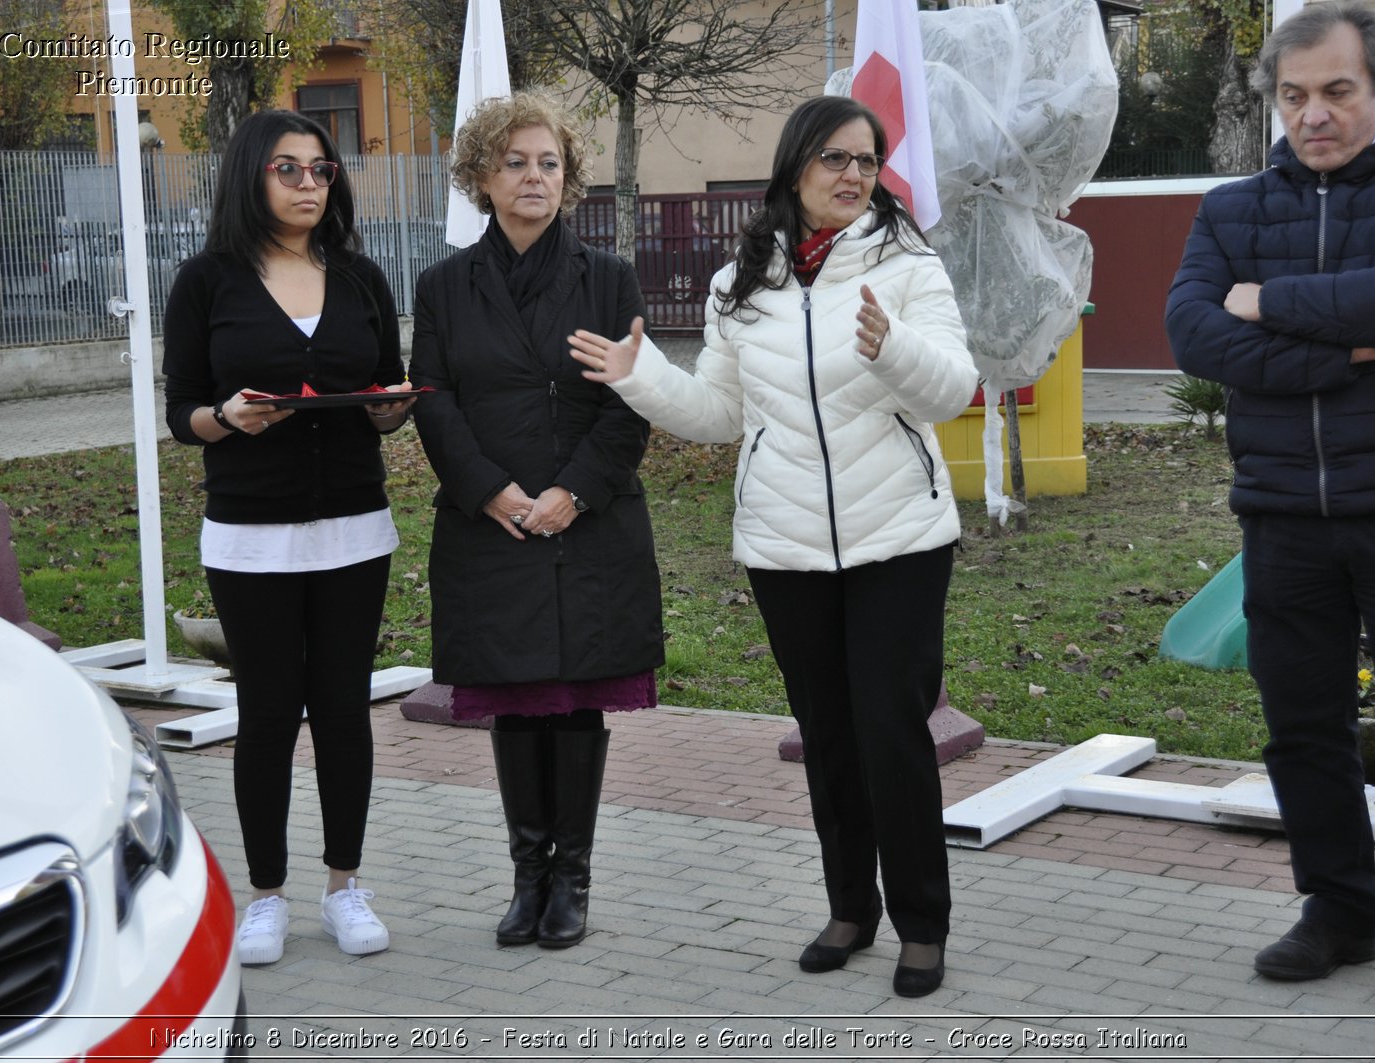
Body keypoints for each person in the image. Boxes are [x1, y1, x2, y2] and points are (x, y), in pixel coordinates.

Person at [570, 94, 977, 997]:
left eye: (867, 161)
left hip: (899, 537)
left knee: (889, 730)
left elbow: (952, 389)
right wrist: (641, 377)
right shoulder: (738, 282)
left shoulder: (907, 264)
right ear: (795, 165)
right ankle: (849, 906)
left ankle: (922, 921)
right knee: (828, 733)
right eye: (835, 158)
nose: (852, 176)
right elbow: (721, 414)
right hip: (786, 545)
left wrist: (894, 346)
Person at [1165, 0, 1375, 1008]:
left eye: (1336, 91)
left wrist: (1264, 300)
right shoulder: (1230, 210)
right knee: (1302, 729)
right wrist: (1342, 351)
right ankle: (1336, 914)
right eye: (1293, 96)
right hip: (1282, 514)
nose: (1314, 114)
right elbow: (1196, 338)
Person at [409, 92, 664, 949]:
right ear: (483, 176)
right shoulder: (443, 286)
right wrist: (491, 490)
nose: (534, 177)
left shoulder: (607, 277)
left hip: (587, 524)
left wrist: (574, 491)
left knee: (573, 701)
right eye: (516, 161)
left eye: (548, 162)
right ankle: (528, 878)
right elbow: (433, 401)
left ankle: (573, 882)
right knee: (518, 702)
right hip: (493, 524)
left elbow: (634, 401)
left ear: (569, 177)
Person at [163, 109, 415, 966]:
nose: (310, 184)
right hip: (249, 536)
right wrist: (225, 419)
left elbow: (383, 389)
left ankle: (345, 886)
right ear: (251, 176)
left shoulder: (361, 277)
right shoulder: (207, 282)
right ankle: (264, 896)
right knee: (269, 714)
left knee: (344, 711)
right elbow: (183, 413)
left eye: (322, 169)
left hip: (354, 527)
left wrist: (389, 412)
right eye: (289, 169)